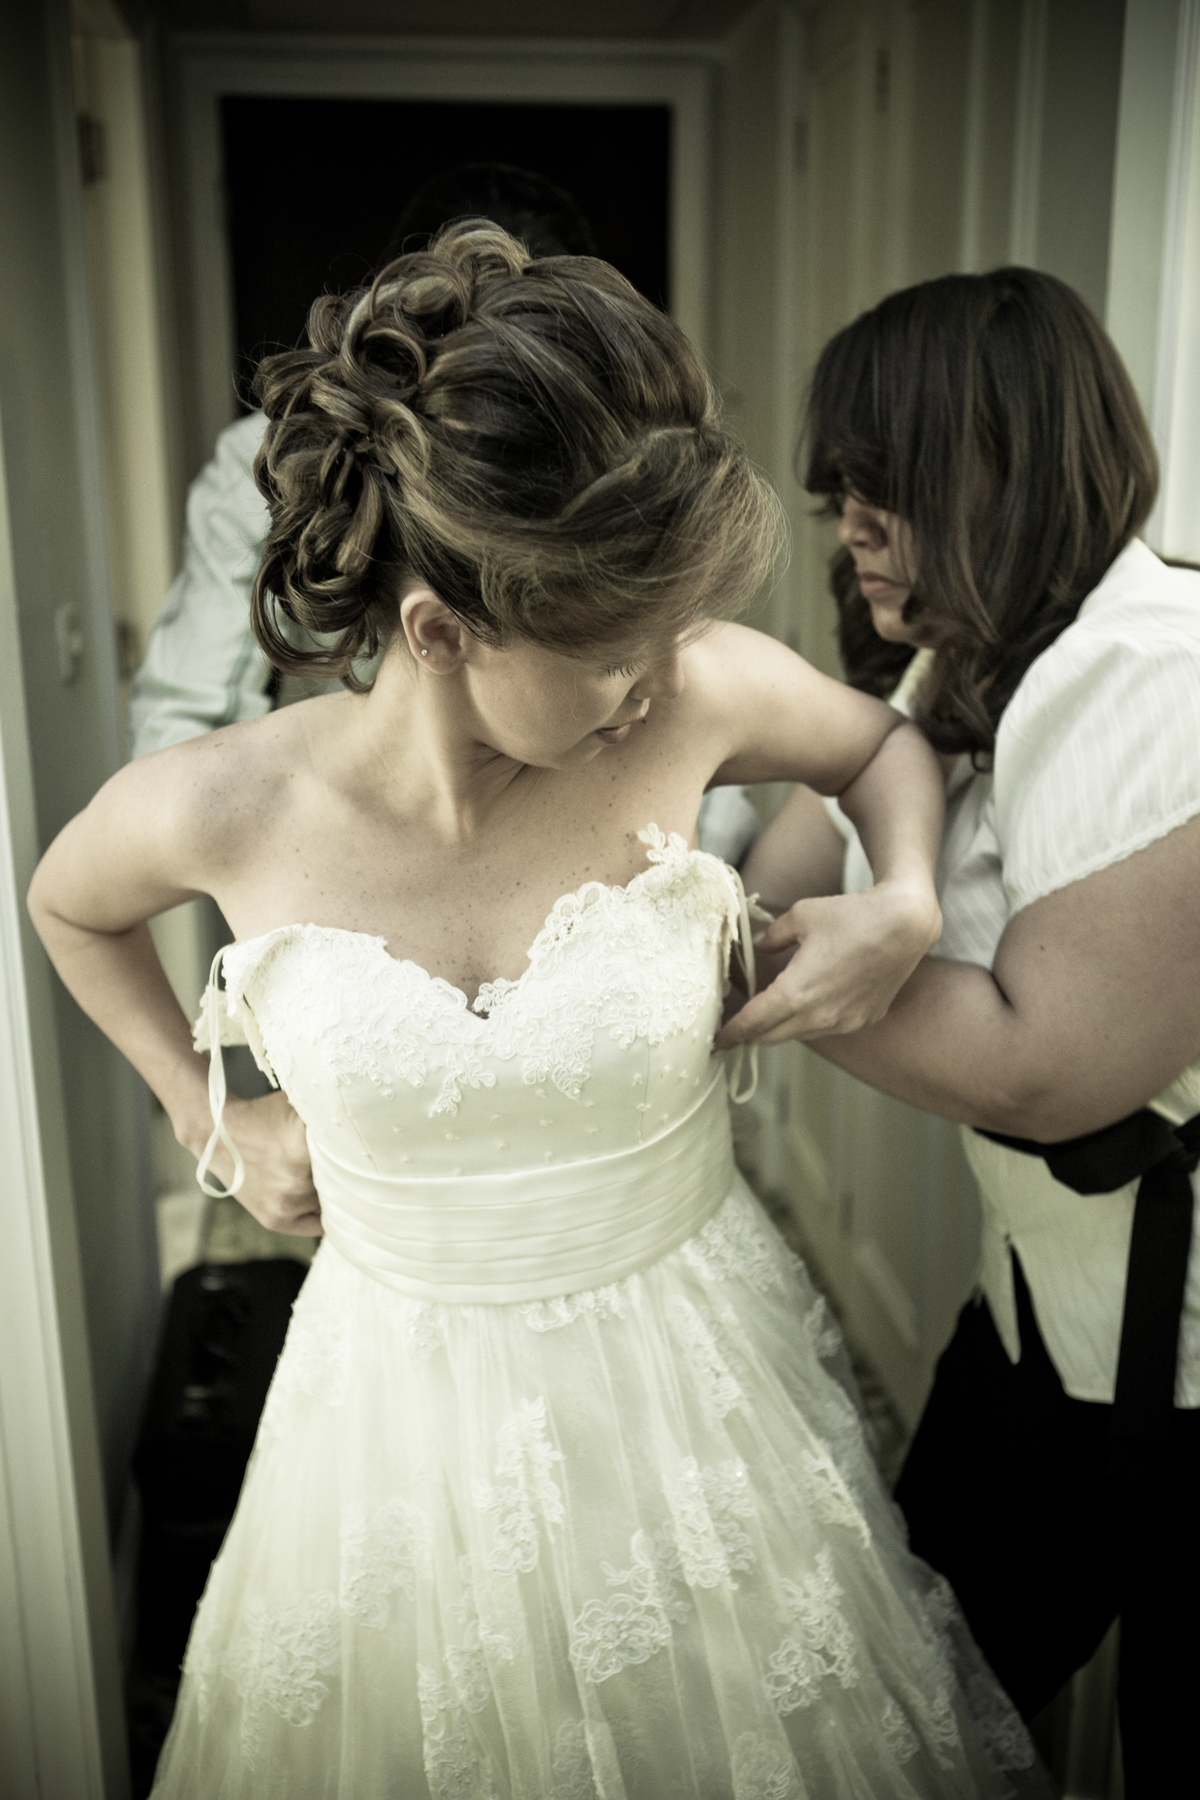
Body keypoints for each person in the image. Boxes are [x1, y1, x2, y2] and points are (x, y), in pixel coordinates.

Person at [29, 224, 1046, 1798]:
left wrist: (905, 898)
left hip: (703, 1398)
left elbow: (882, 750)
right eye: (611, 654)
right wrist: (204, 1110)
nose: (659, 682)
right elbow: (65, 905)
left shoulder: (697, 687)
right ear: (440, 632)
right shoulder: (224, 807)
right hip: (389, 1430)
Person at [722, 266, 1200, 1797]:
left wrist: (722, 970)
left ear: (1016, 460)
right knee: (909, 1719)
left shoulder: (1161, 679)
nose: (850, 518)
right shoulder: (966, 669)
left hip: (1189, 1378)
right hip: (1029, 1339)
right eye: (843, 484)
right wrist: (886, 746)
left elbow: (1037, 1063)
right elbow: (770, 887)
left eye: (892, 479)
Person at [127, 159, 759, 863]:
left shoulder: (633, 467)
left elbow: (672, 674)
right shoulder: (280, 463)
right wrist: (292, 875)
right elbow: (187, 716)